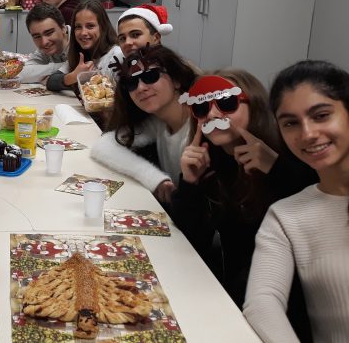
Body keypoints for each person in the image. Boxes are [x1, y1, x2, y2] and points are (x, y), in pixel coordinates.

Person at [173, 70, 317, 306]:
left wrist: (275, 170)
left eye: (226, 103)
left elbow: (308, 231)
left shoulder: (293, 159)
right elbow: (190, 242)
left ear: (256, 107)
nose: (212, 114)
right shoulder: (211, 164)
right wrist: (190, 184)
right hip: (226, 295)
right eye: (201, 107)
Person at [244, 60, 349, 343]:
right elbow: (262, 302)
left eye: (321, 115)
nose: (308, 133)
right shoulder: (286, 215)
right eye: (290, 123)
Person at [90, 45, 197, 208]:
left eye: (151, 76)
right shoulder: (158, 121)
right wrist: (155, 179)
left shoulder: (200, 125)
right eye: (131, 83)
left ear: (176, 80)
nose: (140, 88)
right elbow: (103, 146)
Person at [46, 0, 123, 92]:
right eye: (78, 27)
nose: (83, 33)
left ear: (103, 27)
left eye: (90, 26)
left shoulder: (117, 55)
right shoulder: (80, 55)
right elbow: (51, 82)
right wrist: (75, 76)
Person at [21, 3, 71, 84]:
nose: (44, 42)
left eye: (49, 33)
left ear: (63, 28)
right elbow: (23, 73)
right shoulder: (44, 49)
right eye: (37, 36)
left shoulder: (80, 40)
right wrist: (64, 68)